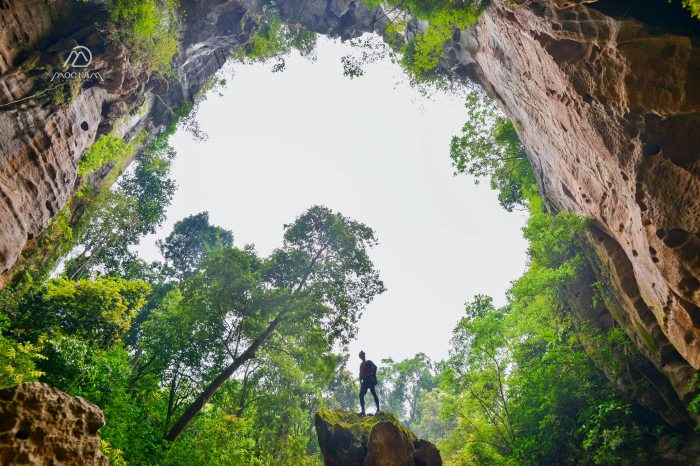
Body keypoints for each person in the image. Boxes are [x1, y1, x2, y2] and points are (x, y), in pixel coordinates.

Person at [358, 350, 380, 416]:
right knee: (361, 395)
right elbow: (360, 373)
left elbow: (375, 367)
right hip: (364, 381)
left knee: (373, 393)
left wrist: (373, 374)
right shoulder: (361, 365)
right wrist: (360, 380)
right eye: (361, 356)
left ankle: (378, 409)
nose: (362, 357)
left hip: (370, 380)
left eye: (363, 355)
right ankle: (363, 411)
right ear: (360, 357)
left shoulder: (369, 362)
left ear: (364, 355)